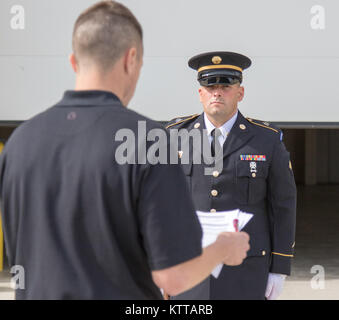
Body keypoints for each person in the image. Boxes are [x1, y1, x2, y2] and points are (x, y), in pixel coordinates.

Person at [0, 3, 250, 300]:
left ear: (74, 62)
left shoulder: (20, 142)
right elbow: (172, 277)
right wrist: (223, 249)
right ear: (131, 60)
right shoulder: (147, 141)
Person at [166, 51, 296, 300]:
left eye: (225, 85)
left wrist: (279, 268)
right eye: (210, 85)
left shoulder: (266, 140)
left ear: (240, 93)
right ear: (200, 93)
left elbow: (283, 206)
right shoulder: (174, 136)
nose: (217, 92)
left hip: (246, 270)